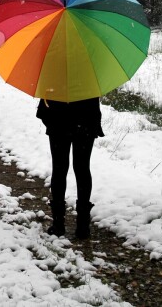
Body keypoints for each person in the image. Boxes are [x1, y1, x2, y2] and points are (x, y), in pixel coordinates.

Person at [36, 97, 103, 240]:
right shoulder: (90, 77)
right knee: (82, 168)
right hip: (85, 119)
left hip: (58, 119)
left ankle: (59, 224)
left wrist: (51, 117)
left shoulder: (53, 76)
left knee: (59, 169)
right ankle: (83, 227)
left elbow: (44, 108)